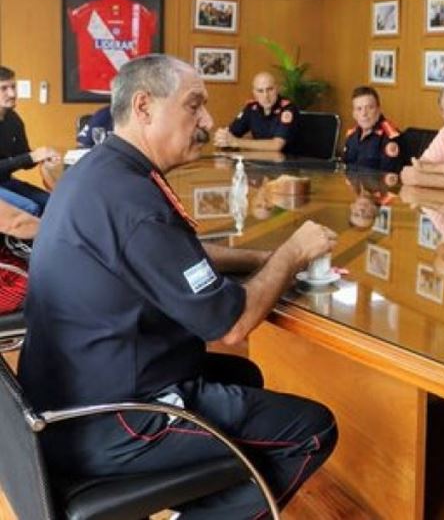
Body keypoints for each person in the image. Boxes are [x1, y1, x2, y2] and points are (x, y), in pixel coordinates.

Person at [18, 54, 338, 518]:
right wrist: (293, 252)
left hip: (66, 397)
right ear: (144, 107)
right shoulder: (133, 202)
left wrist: (262, 259)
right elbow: (231, 326)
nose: (208, 121)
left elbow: (175, 256)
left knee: (244, 378)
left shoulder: (102, 172)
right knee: (312, 430)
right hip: (113, 419)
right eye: (194, 105)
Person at [0, 65, 59, 216]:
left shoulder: (14, 119)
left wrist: (42, 157)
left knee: (53, 203)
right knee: (30, 208)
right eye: (4, 88)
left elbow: (24, 158)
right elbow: (25, 158)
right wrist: (32, 157)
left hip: (6, 182)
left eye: (13, 87)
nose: (12, 93)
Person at [214, 71, 303, 155]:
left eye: (270, 89)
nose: (266, 96)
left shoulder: (288, 108)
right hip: (260, 164)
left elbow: (276, 145)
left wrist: (236, 142)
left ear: (276, 89)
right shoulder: (251, 108)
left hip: (288, 166)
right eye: (260, 91)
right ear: (254, 93)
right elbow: (231, 133)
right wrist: (223, 137)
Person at [342, 85, 403, 173]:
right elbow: (345, 167)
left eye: (369, 108)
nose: (364, 113)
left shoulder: (390, 136)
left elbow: (388, 176)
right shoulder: (351, 135)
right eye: (359, 109)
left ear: (378, 110)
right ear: (354, 114)